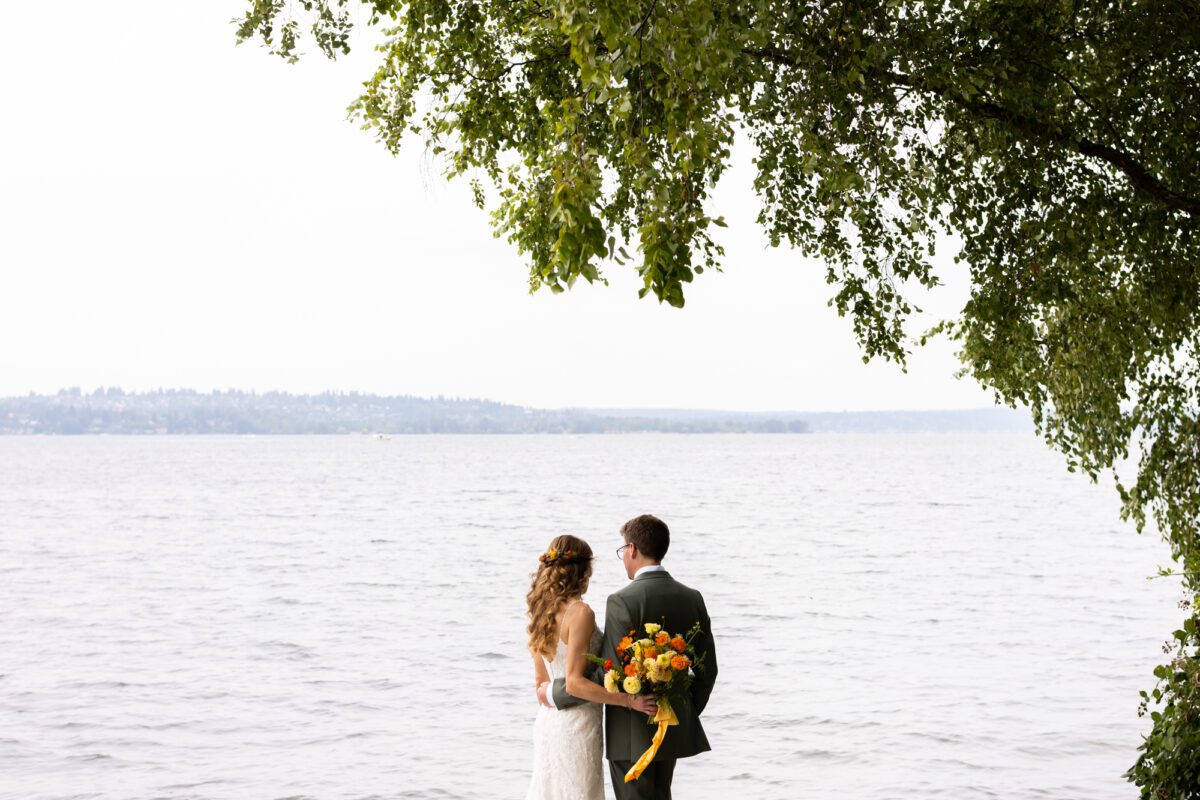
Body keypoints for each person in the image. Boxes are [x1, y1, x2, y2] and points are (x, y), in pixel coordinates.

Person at [540, 515, 719, 800]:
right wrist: (679, 711)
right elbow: (707, 671)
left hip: (630, 733)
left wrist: (555, 691)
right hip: (669, 728)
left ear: (633, 549)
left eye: (623, 550)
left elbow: (612, 672)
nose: (623, 556)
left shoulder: (622, 600)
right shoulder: (692, 597)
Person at [525, 534, 658, 800]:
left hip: (548, 724)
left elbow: (541, 687)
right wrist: (627, 700)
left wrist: (550, 693)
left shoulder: (538, 611)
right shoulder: (580, 613)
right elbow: (574, 682)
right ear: (584, 570)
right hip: (578, 725)